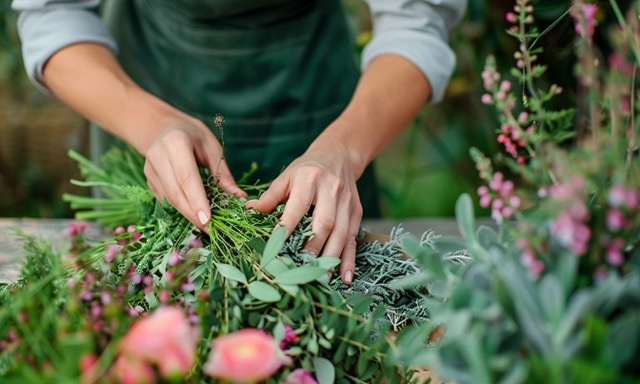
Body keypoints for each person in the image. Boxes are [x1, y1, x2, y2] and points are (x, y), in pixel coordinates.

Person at [11, 0, 466, 284]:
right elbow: (53, 13)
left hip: (310, 85)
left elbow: (416, 22)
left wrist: (342, 150)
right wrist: (150, 125)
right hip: (144, 75)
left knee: (333, 280)